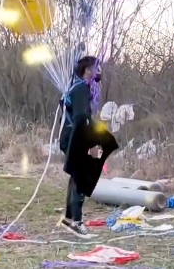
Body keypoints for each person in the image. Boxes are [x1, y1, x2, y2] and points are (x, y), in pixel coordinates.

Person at [59, 56, 118, 238]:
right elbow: (80, 119)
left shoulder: (76, 88)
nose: (99, 71)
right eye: (96, 67)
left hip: (70, 136)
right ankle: (76, 222)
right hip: (76, 137)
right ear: (87, 70)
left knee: (77, 175)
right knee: (82, 175)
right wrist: (89, 144)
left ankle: (69, 219)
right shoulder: (81, 89)